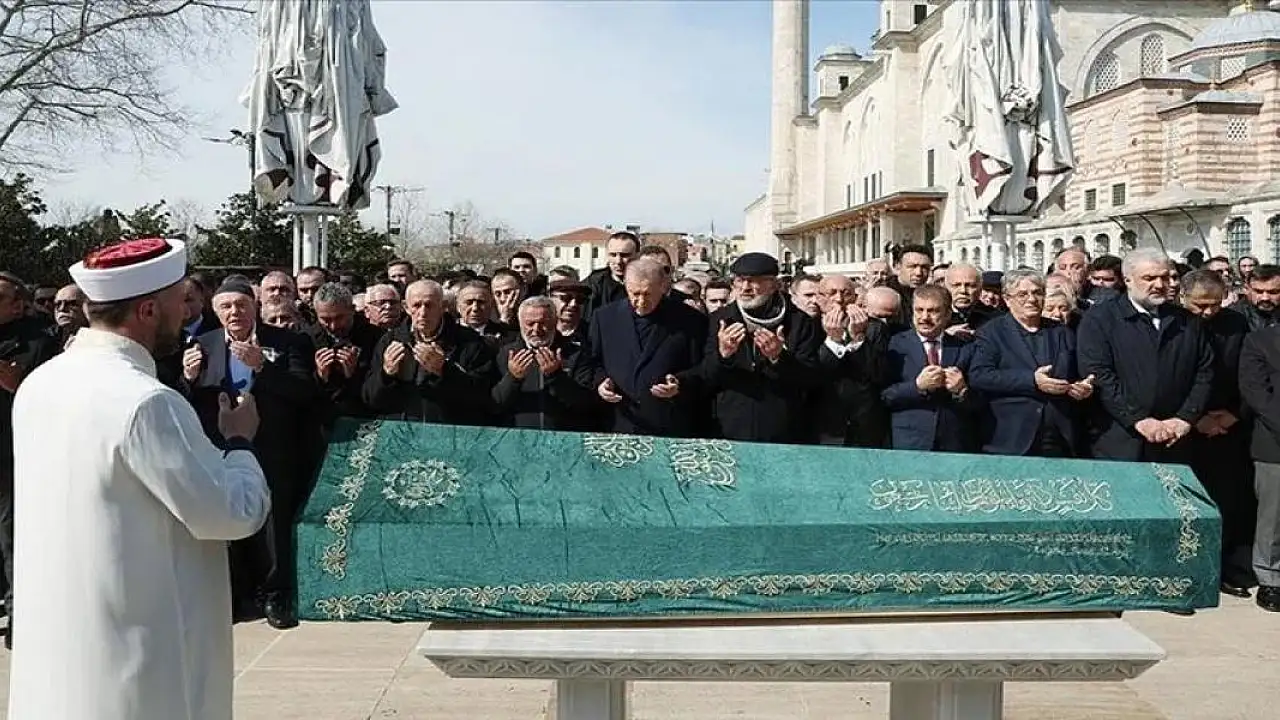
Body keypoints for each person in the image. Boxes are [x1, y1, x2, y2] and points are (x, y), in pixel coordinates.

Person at [7, 238, 271, 720]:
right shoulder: (147, 401)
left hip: (60, 646)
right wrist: (239, 443)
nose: (187, 311)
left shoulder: (40, 383)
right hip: (138, 656)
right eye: (180, 300)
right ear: (148, 310)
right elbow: (228, 514)